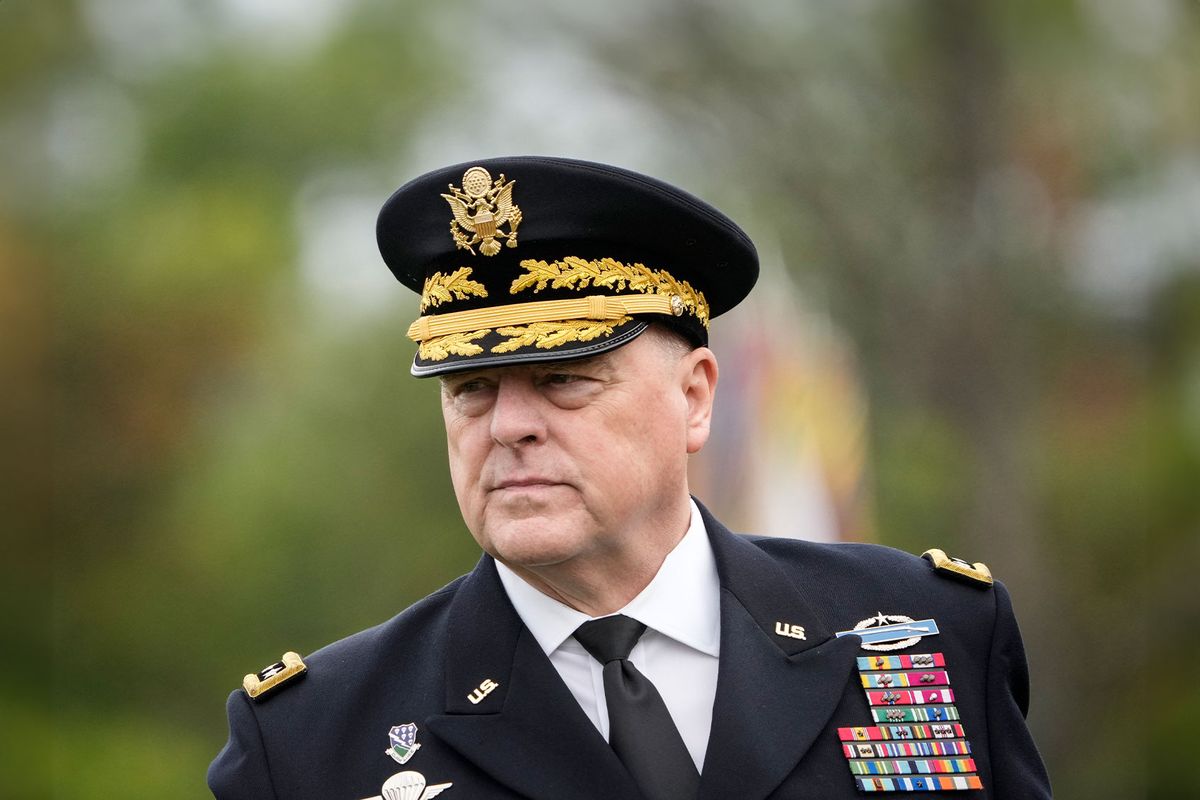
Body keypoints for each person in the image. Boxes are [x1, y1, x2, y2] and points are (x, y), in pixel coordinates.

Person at [209, 156, 1052, 799]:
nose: (508, 426)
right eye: (470, 389)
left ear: (694, 399)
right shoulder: (312, 740)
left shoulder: (930, 637)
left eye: (564, 379)